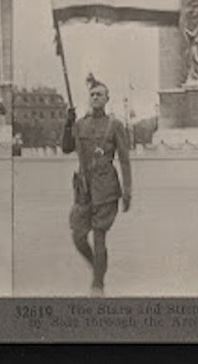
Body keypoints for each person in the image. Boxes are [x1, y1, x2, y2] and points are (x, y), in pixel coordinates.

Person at [61, 75, 132, 296]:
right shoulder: (80, 123)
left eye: (99, 94)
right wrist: (68, 123)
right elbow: (66, 148)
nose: (95, 98)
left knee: (99, 236)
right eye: (92, 95)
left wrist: (127, 191)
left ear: (107, 98)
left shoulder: (115, 125)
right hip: (83, 188)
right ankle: (98, 268)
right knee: (78, 236)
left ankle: (98, 285)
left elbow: (125, 160)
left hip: (106, 189)